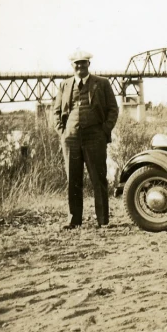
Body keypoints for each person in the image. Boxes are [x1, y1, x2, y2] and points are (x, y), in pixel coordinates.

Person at [52, 49, 119, 229]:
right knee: (73, 179)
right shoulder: (64, 85)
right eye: (77, 63)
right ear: (72, 65)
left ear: (89, 64)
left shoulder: (102, 83)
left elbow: (113, 109)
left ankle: (103, 221)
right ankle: (74, 220)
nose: (80, 66)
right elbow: (56, 111)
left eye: (83, 62)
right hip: (71, 139)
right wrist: (63, 132)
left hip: (94, 138)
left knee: (98, 178)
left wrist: (104, 130)